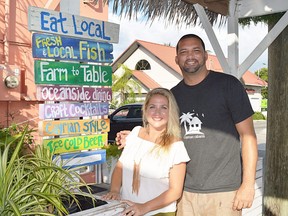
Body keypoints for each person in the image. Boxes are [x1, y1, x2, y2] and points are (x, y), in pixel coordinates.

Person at [116, 34, 258, 216]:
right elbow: (161, 133)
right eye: (184, 52)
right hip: (184, 192)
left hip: (224, 191)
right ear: (176, 59)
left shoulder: (228, 85)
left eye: (196, 50)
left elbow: (248, 137)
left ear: (206, 56)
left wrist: (247, 184)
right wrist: (134, 137)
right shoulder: (173, 96)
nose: (190, 56)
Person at [102, 87, 190, 216]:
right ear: (145, 110)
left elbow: (175, 191)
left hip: (158, 212)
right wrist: (115, 190)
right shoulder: (135, 133)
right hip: (128, 209)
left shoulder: (176, 146)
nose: (157, 113)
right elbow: (120, 166)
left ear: (171, 112)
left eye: (164, 107)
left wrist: (144, 208)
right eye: (152, 107)